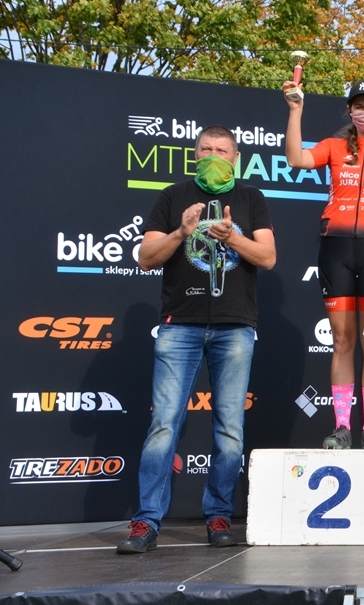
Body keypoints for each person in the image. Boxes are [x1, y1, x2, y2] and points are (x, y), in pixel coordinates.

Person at [117, 126, 276, 554]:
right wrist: (181, 233)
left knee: (229, 429)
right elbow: (146, 258)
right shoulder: (173, 196)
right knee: (163, 424)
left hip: (235, 326)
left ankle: (219, 515)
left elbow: (268, 257)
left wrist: (232, 237)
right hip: (179, 325)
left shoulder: (251, 198)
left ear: (235, 158)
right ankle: (146, 521)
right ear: (195, 155)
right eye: (206, 149)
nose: (213, 155)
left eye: (222, 150)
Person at [283, 79, 364, 450]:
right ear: (350, 110)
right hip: (336, 250)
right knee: (342, 341)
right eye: (359, 106)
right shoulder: (334, 146)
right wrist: (295, 111)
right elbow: (295, 159)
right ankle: (341, 427)